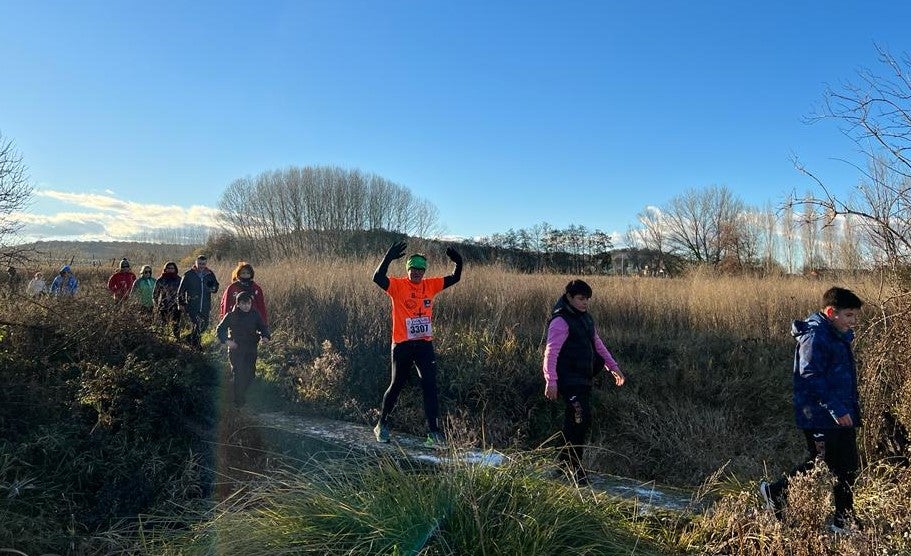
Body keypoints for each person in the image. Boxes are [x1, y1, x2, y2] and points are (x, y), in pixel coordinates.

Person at [759, 286, 864, 534]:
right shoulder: (815, 336)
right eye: (849, 315)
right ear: (831, 312)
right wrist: (836, 409)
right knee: (824, 462)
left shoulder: (836, 334)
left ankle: (843, 519)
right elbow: (810, 375)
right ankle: (776, 492)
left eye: (855, 315)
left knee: (846, 466)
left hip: (840, 412)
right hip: (819, 415)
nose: (853, 321)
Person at [372, 241, 463, 448]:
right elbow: (377, 278)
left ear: (424, 271)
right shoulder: (398, 286)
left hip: (423, 345)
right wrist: (388, 257)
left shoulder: (430, 285)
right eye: (413, 269)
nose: (417, 273)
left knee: (430, 385)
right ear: (408, 270)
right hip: (402, 344)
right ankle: (381, 424)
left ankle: (433, 433)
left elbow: (455, 277)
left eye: (420, 269)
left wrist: (459, 262)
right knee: (396, 385)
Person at [543, 279, 625, 485]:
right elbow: (551, 353)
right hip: (567, 381)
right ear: (569, 297)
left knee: (575, 423)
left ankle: (562, 466)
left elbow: (597, 344)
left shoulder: (586, 319)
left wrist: (613, 367)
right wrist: (551, 381)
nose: (585, 302)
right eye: (580, 298)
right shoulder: (560, 321)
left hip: (584, 380)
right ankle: (577, 472)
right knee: (581, 420)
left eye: (587, 299)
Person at [216, 290, 271, 408]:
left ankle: (240, 395)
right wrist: (226, 341)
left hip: (251, 347)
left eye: (248, 303)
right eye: (243, 303)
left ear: (251, 304)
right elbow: (220, 329)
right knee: (238, 373)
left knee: (250, 375)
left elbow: (263, 327)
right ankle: (238, 403)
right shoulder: (231, 315)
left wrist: (265, 336)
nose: (246, 306)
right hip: (236, 348)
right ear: (238, 304)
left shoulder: (255, 314)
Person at [177, 255, 219, 348]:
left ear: (206, 264)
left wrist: (213, 288)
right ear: (195, 263)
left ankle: (187, 340)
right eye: (199, 263)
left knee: (204, 325)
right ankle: (197, 347)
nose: (201, 266)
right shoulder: (188, 274)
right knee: (196, 325)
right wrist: (181, 303)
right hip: (192, 305)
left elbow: (215, 286)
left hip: (205, 305)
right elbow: (181, 291)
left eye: (203, 264)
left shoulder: (210, 274)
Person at [220, 261, 268, 326]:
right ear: (238, 274)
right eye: (243, 273)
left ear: (251, 274)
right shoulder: (232, 288)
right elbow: (226, 305)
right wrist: (225, 323)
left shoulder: (256, 288)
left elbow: (261, 307)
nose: (245, 275)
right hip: (236, 322)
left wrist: (263, 324)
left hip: (252, 321)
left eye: (248, 273)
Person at [153, 261, 183, 340]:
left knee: (176, 324)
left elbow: (183, 292)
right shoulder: (161, 279)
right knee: (163, 325)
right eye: (168, 268)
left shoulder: (179, 279)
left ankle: (177, 339)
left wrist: (182, 303)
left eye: (172, 268)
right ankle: (162, 340)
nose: (170, 270)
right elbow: (155, 294)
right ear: (165, 269)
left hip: (176, 306)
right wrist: (156, 304)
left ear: (175, 269)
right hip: (164, 306)